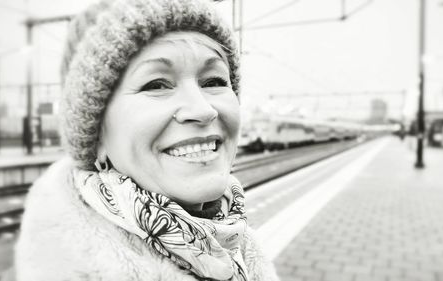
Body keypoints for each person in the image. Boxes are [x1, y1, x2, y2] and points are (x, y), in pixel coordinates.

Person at [14, 0, 280, 280]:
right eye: (156, 85)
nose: (202, 109)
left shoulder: (234, 240)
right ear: (97, 136)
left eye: (214, 81)